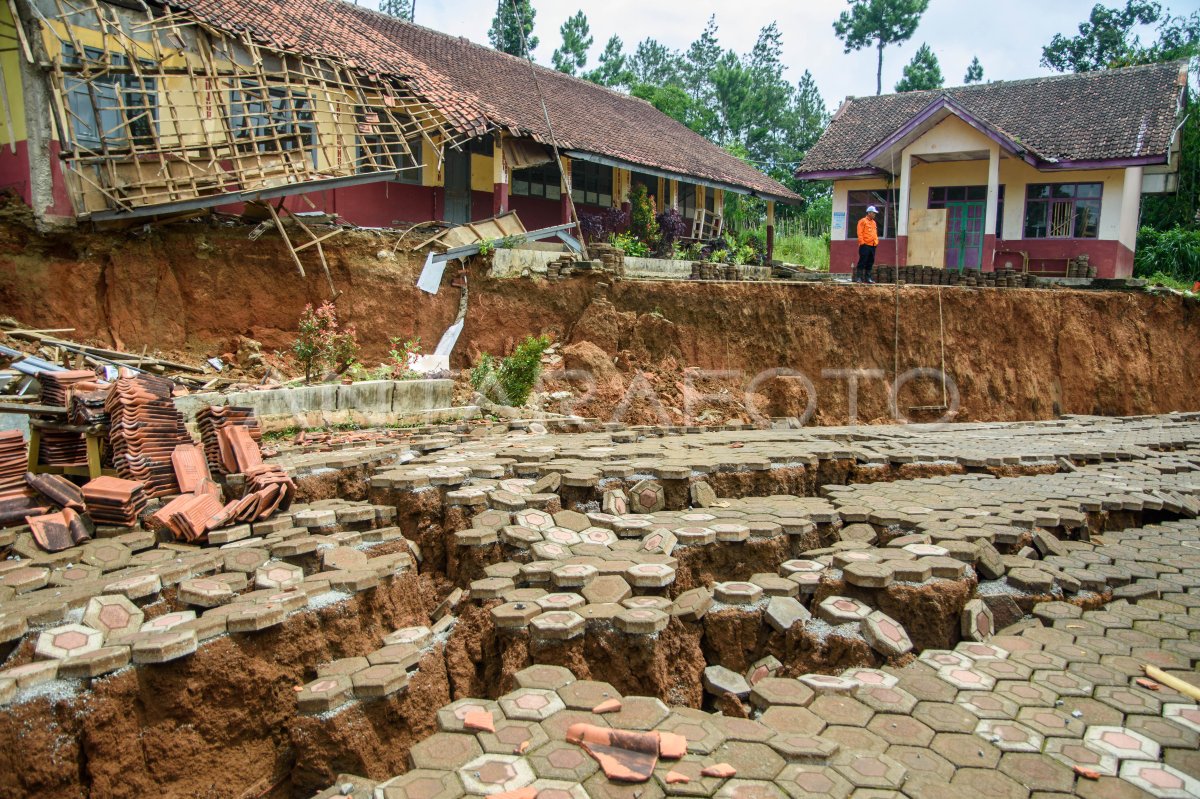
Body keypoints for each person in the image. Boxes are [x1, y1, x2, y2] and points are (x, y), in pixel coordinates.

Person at [855, 205, 879, 284]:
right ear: (869, 213)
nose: (875, 214)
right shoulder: (862, 221)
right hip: (865, 245)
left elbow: (874, 233)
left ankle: (868, 278)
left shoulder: (874, 223)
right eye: (874, 213)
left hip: (873, 245)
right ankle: (858, 277)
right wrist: (862, 243)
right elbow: (859, 233)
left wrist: (876, 242)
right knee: (862, 261)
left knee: (870, 262)